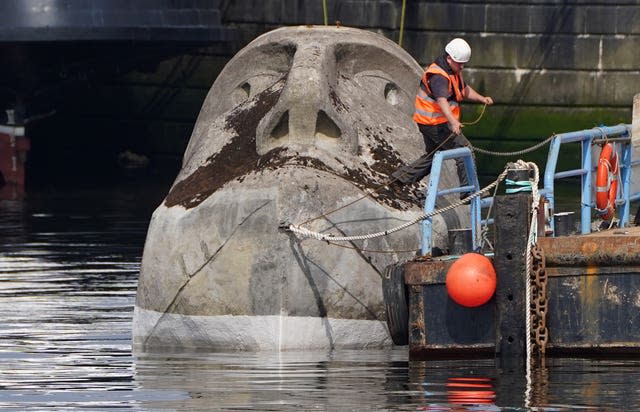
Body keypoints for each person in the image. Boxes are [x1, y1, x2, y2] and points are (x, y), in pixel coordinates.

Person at [391, 38, 493, 191]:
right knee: (464, 150)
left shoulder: (453, 71)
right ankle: (469, 192)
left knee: (433, 156)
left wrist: (481, 98)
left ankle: (399, 179)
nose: (462, 66)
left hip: (432, 122)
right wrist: (453, 122)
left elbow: (463, 89)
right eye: (460, 63)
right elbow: (441, 100)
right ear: (449, 58)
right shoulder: (438, 76)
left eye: (464, 63)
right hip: (434, 123)